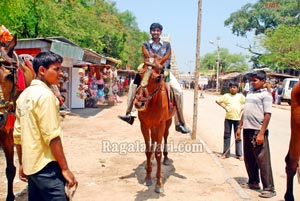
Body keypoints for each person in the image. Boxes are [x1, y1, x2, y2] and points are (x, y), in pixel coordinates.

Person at [14, 51, 77, 201]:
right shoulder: (46, 96)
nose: (60, 73)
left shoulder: (24, 96)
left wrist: (23, 163)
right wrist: (65, 169)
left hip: (32, 168)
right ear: (42, 70)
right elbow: (52, 136)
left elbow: (18, 135)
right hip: (47, 167)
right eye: (56, 69)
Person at [118, 22, 190, 134]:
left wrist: (163, 70)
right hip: (148, 71)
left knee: (178, 91)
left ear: (160, 32)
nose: (155, 32)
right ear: (150, 32)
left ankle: (179, 122)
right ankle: (129, 113)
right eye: (153, 30)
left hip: (163, 71)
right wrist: (149, 67)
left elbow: (168, 59)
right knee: (133, 85)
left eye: (157, 30)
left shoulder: (167, 45)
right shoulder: (146, 44)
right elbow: (146, 58)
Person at [237, 70, 276, 198]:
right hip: (247, 129)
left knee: (262, 160)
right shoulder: (250, 93)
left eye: (255, 80)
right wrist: (240, 126)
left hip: (257, 130)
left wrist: (261, 133)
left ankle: (269, 188)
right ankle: (253, 182)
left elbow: (267, 115)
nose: (252, 82)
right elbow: (245, 111)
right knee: (249, 158)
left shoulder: (266, 95)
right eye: (251, 80)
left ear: (263, 81)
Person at [216, 81, 245, 160]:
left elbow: (246, 103)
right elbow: (217, 101)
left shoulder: (240, 96)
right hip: (228, 118)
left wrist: (241, 109)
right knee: (226, 136)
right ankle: (226, 153)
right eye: (231, 87)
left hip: (238, 119)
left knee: (238, 136)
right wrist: (225, 107)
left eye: (234, 87)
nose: (232, 89)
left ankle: (239, 154)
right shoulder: (226, 96)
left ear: (237, 88)